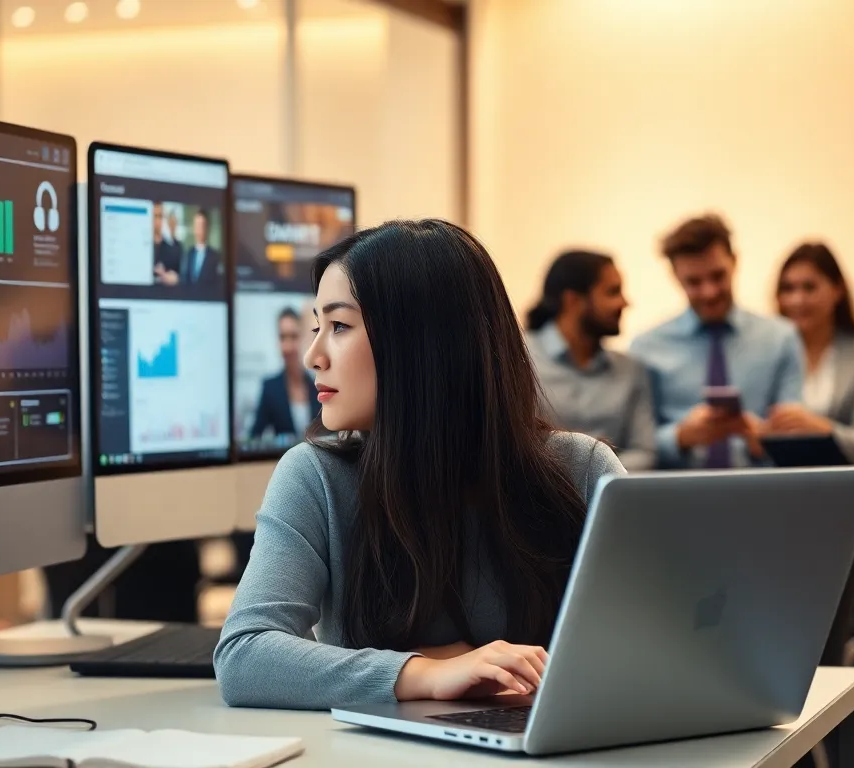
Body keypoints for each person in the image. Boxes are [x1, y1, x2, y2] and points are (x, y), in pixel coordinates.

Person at [214, 219, 625, 710]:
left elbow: (661, 634)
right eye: (316, 328)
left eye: (339, 326)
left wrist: (483, 665)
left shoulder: (581, 470)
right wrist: (427, 672)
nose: (312, 356)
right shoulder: (315, 477)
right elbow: (244, 656)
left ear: (419, 344)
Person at [629, 213, 803, 469]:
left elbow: (796, 435)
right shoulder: (645, 348)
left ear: (735, 262)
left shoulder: (781, 338)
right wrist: (680, 437)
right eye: (694, 282)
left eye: (718, 276)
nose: (709, 292)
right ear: (675, 276)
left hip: (763, 492)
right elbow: (635, 442)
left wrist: (767, 438)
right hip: (677, 497)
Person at [525, 250, 657, 471]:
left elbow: (645, 453)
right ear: (573, 300)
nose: (625, 302)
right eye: (613, 292)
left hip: (614, 500)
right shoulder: (519, 358)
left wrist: (593, 473)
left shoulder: (631, 369)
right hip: (538, 501)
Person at [770, 242, 854, 465]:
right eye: (788, 289)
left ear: (837, 290)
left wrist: (817, 427)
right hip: (784, 485)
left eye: (809, 287)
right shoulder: (770, 352)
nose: (797, 300)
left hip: (847, 486)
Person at [249, 307, 321, 440]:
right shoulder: (270, 388)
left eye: (293, 337)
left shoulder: (317, 386)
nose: (287, 346)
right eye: (282, 337)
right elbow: (253, 438)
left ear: (303, 339)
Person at [176, 210, 223, 288]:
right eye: (197, 226)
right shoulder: (189, 254)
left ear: (207, 228)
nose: (199, 230)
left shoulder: (215, 257)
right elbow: (184, 279)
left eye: (202, 226)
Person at [151, 202, 182, 285]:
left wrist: (174, 279)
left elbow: (178, 278)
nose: (157, 221)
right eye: (154, 216)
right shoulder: (141, 249)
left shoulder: (172, 250)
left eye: (160, 216)